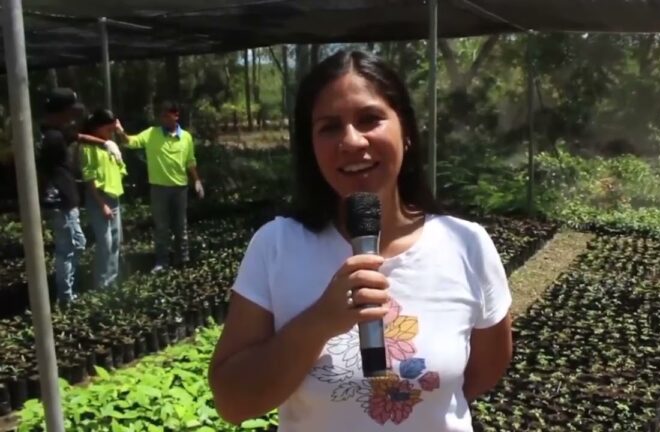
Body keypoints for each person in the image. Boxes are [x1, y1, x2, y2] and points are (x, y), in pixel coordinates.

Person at [208, 50, 513, 432]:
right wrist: (320, 321)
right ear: (311, 147)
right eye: (329, 127)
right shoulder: (276, 247)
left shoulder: (466, 244)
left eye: (370, 119)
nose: (351, 141)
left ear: (407, 133)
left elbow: (484, 371)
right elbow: (233, 402)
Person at [38, 88, 123, 305]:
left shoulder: (57, 131)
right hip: (60, 200)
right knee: (69, 248)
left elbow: (78, 136)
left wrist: (104, 143)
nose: (72, 117)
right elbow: (42, 173)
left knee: (77, 244)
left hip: (67, 200)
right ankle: (66, 297)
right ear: (61, 111)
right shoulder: (52, 138)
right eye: (70, 111)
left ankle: (68, 293)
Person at [114, 101, 204, 272]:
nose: (163, 118)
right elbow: (131, 142)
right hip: (159, 188)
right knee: (161, 226)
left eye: (167, 115)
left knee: (181, 226)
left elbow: (190, 161)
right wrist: (120, 132)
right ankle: (162, 261)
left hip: (180, 188)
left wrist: (197, 180)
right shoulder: (152, 133)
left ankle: (182, 259)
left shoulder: (186, 137)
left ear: (176, 115)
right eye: (161, 115)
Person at [80, 108, 127, 290]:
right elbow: (89, 179)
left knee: (115, 242)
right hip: (99, 200)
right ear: (97, 127)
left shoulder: (110, 145)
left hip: (114, 197)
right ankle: (101, 283)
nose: (110, 134)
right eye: (107, 129)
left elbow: (120, 169)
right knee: (105, 243)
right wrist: (102, 204)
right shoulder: (88, 146)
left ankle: (112, 281)